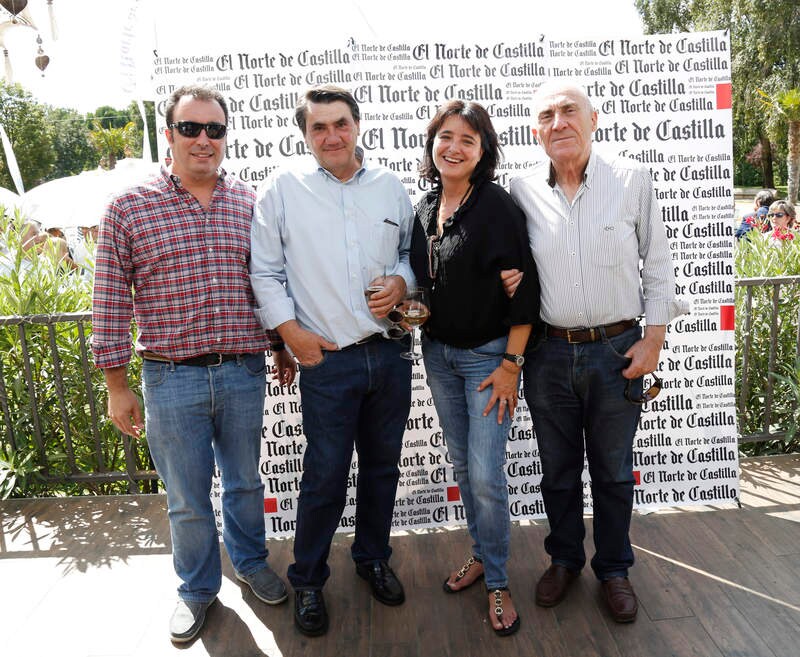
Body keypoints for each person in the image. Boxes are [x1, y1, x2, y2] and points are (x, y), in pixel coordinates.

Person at [91, 85, 294, 644]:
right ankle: (198, 589)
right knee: (185, 497)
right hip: (170, 376)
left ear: (226, 136)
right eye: (191, 128)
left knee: (246, 484)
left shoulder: (250, 205)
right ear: (169, 134)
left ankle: (251, 565)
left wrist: (278, 345)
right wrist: (116, 385)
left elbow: (268, 287)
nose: (204, 139)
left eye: (215, 129)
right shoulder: (128, 208)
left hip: (243, 371)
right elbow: (109, 301)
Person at [505, 81, 685, 623]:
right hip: (548, 354)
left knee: (612, 472)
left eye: (568, 111)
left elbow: (657, 266)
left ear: (594, 119)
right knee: (556, 471)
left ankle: (613, 569)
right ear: (536, 130)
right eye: (546, 115)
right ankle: (563, 560)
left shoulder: (632, 180)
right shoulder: (519, 190)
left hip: (617, 350)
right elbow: (508, 260)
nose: (558, 122)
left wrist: (653, 340)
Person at [249, 85, 414, 637]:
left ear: (358, 125)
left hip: (388, 354)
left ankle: (371, 558)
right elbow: (265, 272)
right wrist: (291, 334)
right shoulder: (282, 190)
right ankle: (309, 581)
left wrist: (401, 280)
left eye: (340, 124)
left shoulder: (390, 187)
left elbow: (411, 256)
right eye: (318, 128)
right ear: (305, 135)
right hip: (328, 362)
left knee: (383, 468)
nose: (331, 136)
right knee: (323, 477)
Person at [408, 100, 538, 637]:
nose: (454, 147)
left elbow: (526, 290)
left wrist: (511, 363)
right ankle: (483, 554)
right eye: (445, 137)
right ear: (432, 144)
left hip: (490, 359)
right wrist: (406, 305)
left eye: (467, 139)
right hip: (437, 356)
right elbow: (422, 281)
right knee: (464, 469)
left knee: (486, 476)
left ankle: (499, 581)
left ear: (483, 151)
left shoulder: (498, 206)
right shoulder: (424, 206)